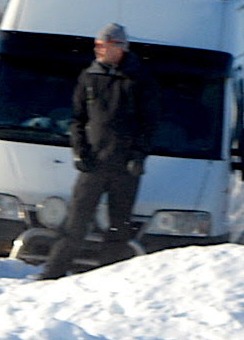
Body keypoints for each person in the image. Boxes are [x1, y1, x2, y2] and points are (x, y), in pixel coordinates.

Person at [38, 23, 160, 280]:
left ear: (119, 47)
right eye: (97, 45)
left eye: (103, 45)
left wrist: (138, 156)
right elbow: (78, 119)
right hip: (94, 163)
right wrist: (80, 151)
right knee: (76, 222)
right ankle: (52, 274)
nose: (98, 50)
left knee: (118, 227)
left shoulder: (139, 79)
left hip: (125, 166)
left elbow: (148, 123)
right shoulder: (89, 77)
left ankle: (107, 278)